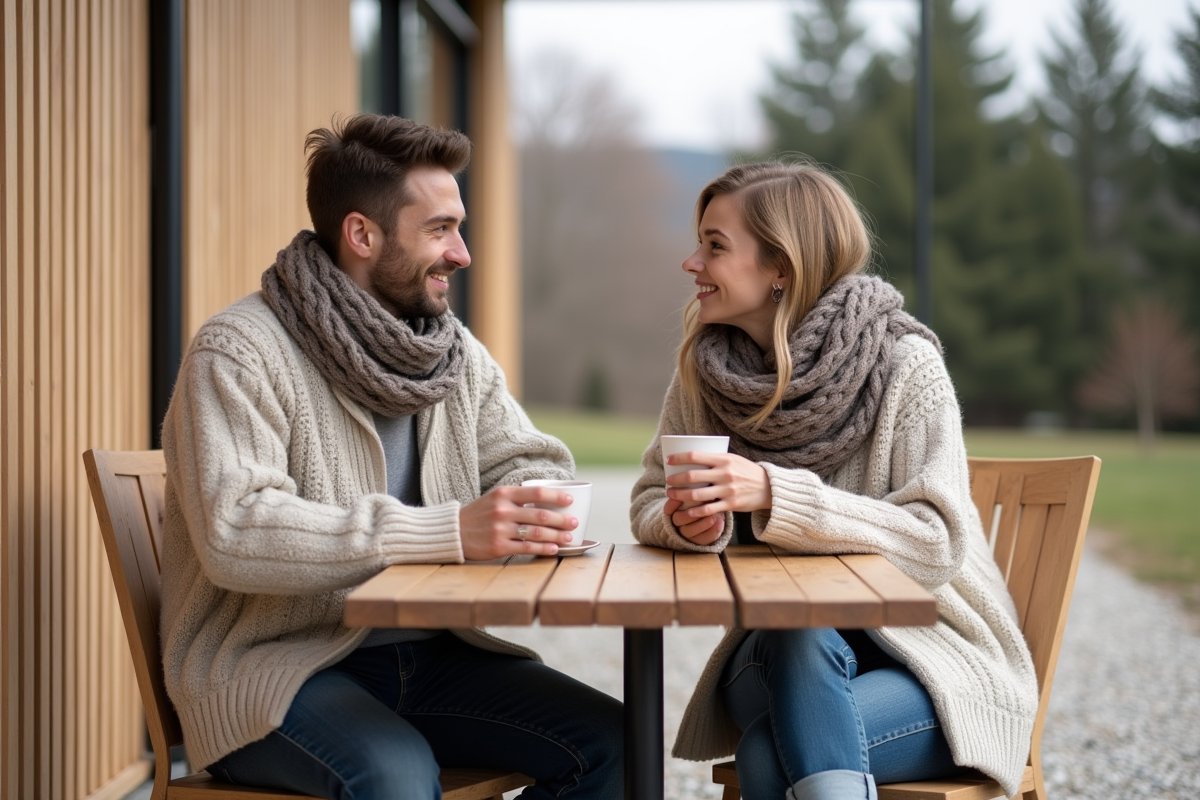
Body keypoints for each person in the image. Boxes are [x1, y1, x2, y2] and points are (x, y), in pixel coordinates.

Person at [159, 114, 622, 800]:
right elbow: (238, 530)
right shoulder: (240, 350)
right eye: (439, 229)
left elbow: (529, 460)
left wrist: (536, 502)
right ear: (362, 235)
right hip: (276, 668)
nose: (461, 253)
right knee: (396, 778)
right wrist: (449, 531)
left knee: (618, 745)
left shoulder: (450, 352)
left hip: (434, 658)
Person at [630, 162, 1038, 800]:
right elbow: (651, 498)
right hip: (772, 652)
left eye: (715, 245)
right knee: (799, 626)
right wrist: (684, 523)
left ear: (781, 269)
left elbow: (937, 544)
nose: (692, 262)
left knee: (768, 754)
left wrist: (774, 493)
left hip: (931, 659)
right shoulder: (703, 374)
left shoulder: (905, 364)